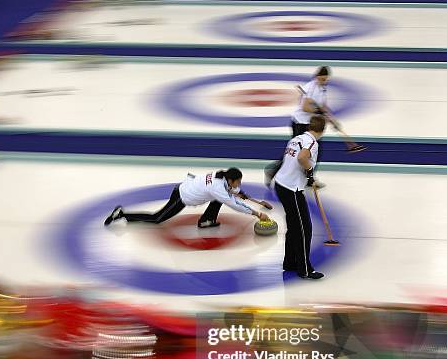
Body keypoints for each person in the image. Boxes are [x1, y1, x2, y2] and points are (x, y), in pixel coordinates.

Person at [103, 168, 270, 228]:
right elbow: (234, 204)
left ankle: (206, 221)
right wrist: (257, 214)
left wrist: (238, 192)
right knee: (157, 219)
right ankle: (122, 214)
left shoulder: (221, 176)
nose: (238, 184)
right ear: (231, 180)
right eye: (237, 182)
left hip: (186, 186)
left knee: (220, 198)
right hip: (182, 196)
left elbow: (230, 191)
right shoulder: (217, 187)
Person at [274, 114, 326, 280]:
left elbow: (291, 161)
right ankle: (304, 269)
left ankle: (289, 262)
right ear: (322, 130)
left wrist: (307, 177)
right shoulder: (311, 142)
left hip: (281, 184)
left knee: (293, 226)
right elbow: (302, 158)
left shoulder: (296, 139)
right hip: (292, 189)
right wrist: (310, 171)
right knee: (304, 228)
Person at [291, 65, 366, 153]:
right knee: (296, 150)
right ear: (317, 77)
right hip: (300, 122)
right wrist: (317, 112)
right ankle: (281, 166)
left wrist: (332, 120)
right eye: (322, 79)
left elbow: (323, 106)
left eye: (326, 79)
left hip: (310, 122)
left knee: (314, 149)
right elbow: (305, 108)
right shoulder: (310, 88)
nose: (324, 82)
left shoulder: (322, 88)